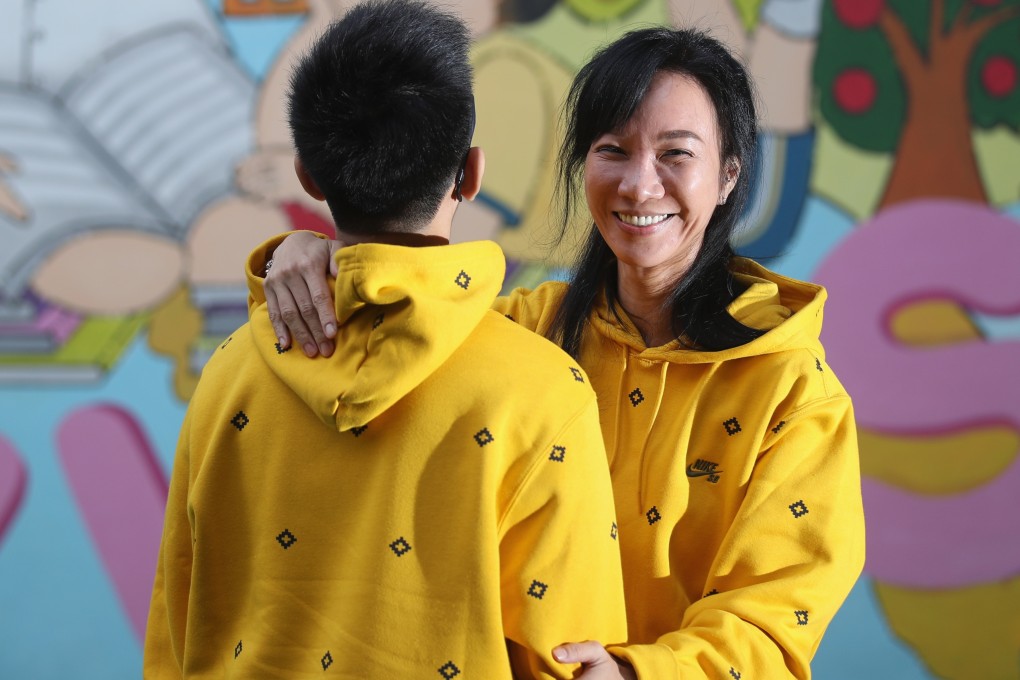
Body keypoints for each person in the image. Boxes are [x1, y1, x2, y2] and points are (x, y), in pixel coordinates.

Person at [256, 22, 867, 679]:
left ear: (728, 176)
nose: (639, 184)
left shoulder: (794, 390)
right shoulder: (520, 331)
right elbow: (384, 343)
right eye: (613, 150)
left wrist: (637, 673)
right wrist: (312, 258)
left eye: (676, 154)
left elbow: (776, 616)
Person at [143, 1, 629, 677]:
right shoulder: (542, 394)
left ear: (308, 177)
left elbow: (179, 617)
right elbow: (569, 657)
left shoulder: (229, 376)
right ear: (471, 172)